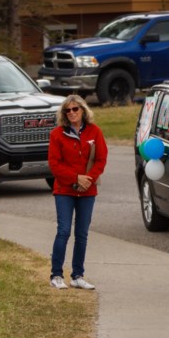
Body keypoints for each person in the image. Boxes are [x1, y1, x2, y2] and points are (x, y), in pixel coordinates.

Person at [48, 94, 108, 290]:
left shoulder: (95, 131)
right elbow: (54, 164)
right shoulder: (57, 134)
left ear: (83, 110)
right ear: (64, 114)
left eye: (76, 109)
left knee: (82, 234)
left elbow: (101, 159)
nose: (72, 113)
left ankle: (77, 275)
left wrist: (87, 179)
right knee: (63, 231)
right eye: (68, 110)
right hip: (64, 190)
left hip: (87, 191)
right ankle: (56, 275)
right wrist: (75, 178)